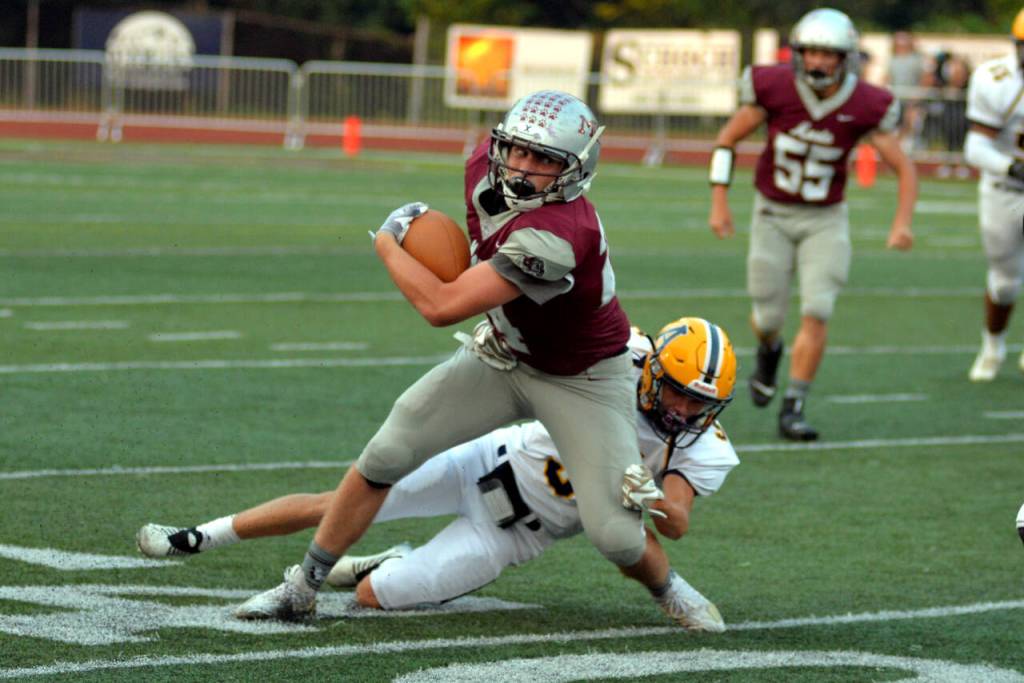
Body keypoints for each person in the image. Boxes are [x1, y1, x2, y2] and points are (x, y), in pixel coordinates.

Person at [233, 90, 675, 621]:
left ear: (575, 170)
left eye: (544, 160)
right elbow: (473, 260)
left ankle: (669, 588)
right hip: (504, 355)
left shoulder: (559, 236)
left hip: (582, 377)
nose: (524, 167)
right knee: (386, 453)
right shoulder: (481, 170)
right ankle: (302, 586)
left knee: (616, 536)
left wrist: (388, 244)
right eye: (518, 151)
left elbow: (442, 306)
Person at [137, 318, 739, 631]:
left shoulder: (702, 442)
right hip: (484, 461)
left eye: (699, 403)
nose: (683, 411)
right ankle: (197, 535)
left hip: (519, 533)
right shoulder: (615, 358)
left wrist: (648, 491)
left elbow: (678, 520)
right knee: (343, 499)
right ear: (652, 366)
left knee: (376, 598)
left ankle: (377, 563)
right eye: (679, 393)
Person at [707, 8, 917, 441]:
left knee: (818, 309)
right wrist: (719, 202)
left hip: (825, 218)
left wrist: (902, 223)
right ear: (799, 54)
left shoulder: (866, 103)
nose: (819, 62)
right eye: (812, 52)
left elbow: (904, 167)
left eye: (829, 54)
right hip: (772, 214)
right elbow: (726, 140)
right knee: (767, 317)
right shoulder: (774, 86)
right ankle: (769, 351)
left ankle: (794, 406)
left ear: (847, 58)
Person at [961, 9, 1024, 381]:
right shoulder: (993, 78)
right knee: (1003, 281)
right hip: (1004, 187)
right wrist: (1012, 167)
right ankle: (993, 345)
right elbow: (975, 148)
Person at [886, 31, 926, 151]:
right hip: (896, 99)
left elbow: (925, 78)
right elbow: (888, 77)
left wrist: (918, 95)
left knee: (911, 124)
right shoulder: (892, 59)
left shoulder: (917, 59)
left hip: (912, 100)